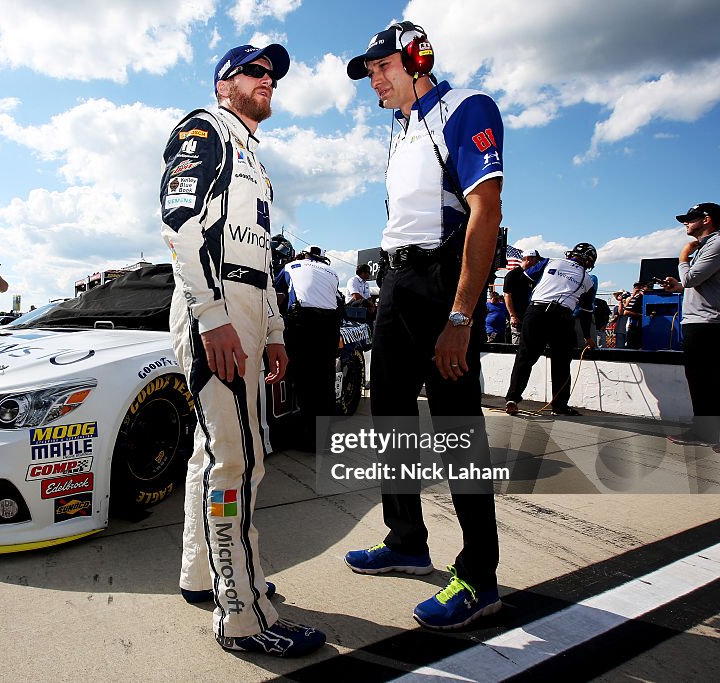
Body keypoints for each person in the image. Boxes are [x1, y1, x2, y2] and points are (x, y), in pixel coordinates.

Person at [159, 42, 325, 657]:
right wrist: (211, 316)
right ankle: (245, 614)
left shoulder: (252, 154)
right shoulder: (204, 130)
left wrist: (276, 330)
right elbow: (179, 224)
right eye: (255, 72)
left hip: (248, 304)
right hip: (217, 306)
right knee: (240, 458)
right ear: (224, 83)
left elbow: (262, 255)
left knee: (215, 454)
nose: (269, 81)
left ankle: (204, 576)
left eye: (273, 75)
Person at [342, 21, 504, 630]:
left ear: (416, 59)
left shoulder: (465, 107)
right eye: (371, 72)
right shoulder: (402, 128)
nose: (374, 81)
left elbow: (485, 211)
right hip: (397, 282)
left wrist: (461, 314)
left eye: (382, 67)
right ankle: (407, 540)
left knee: (459, 432)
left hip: (443, 281)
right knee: (389, 418)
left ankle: (479, 578)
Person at [662, 202, 720, 450]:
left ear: (707, 219)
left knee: (707, 381)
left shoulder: (719, 245)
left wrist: (683, 257)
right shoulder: (708, 247)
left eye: (691, 218)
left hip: (709, 322)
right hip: (698, 320)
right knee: (700, 380)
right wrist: (677, 287)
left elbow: (691, 278)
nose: (686, 223)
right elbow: (697, 284)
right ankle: (705, 431)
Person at [504, 243, 598, 416]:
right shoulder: (588, 280)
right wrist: (587, 337)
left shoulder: (550, 261)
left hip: (536, 311)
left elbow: (524, 279)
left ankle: (512, 397)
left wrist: (524, 310)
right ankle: (559, 406)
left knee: (525, 356)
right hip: (562, 316)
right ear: (589, 260)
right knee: (562, 362)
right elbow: (585, 312)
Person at [275, 246, 342, 451]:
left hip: (303, 321)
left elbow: (276, 297)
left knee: (304, 379)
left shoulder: (290, 266)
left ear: (302, 255)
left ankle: (309, 439)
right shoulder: (333, 273)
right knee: (326, 379)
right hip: (330, 325)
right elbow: (337, 301)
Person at [503, 249, 540, 344]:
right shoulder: (513, 275)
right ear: (528, 258)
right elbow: (507, 295)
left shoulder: (533, 276)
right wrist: (513, 315)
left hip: (530, 315)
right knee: (518, 344)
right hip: (518, 317)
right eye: (536, 260)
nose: (537, 263)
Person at [623, 282, 645, 349]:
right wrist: (642, 316)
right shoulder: (636, 298)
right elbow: (626, 312)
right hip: (635, 327)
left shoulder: (647, 298)